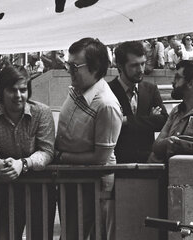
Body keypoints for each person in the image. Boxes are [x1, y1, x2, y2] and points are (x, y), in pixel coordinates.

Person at [54, 37, 122, 240]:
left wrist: (61, 156)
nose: (69, 71)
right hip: (71, 181)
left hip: (92, 186)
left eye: (75, 66)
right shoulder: (77, 90)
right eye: (68, 65)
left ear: (95, 67)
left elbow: (100, 158)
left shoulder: (106, 105)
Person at [0, 65, 55, 240]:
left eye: (23, 90)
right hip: (6, 188)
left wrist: (24, 164)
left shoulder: (42, 112)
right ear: (1, 91)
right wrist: (0, 164)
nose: (18, 96)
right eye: (12, 90)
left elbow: (47, 151)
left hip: (40, 188)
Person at [108, 41, 168, 163]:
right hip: (118, 163)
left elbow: (163, 121)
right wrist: (149, 119)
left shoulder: (150, 89)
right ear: (120, 66)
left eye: (143, 64)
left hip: (147, 161)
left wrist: (126, 120)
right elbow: (109, 125)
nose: (141, 70)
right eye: (134, 65)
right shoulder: (108, 91)